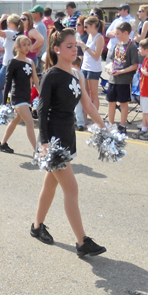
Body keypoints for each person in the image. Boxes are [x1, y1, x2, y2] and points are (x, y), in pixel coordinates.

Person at [30, 28, 107, 257]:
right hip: (53, 140)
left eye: (76, 45)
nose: (74, 50)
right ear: (57, 49)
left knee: (50, 185)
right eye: (69, 46)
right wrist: (44, 143)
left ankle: (37, 226)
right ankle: (82, 241)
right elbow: (42, 110)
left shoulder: (77, 73)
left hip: (67, 135)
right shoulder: (51, 75)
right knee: (71, 189)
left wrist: (104, 127)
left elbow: (88, 104)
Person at [0, 35, 38, 154]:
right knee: (30, 122)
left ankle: (3, 143)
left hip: (27, 96)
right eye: (24, 45)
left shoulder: (30, 62)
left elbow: (36, 80)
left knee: (15, 120)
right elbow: (8, 82)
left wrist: (41, 95)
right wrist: (4, 102)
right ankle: (37, 151)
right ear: (17, 46)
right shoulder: (13, 62)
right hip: (17, 96)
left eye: (28, 45)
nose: (27, 47)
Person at [105, 22, 138, 132]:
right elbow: (112, 60)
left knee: (123, 103)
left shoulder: (132, 47)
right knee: (111, 102)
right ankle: (111, 123)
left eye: (118, 33)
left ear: (126, 33)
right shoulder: (117, 45)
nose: (116, 36)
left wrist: (120, 72)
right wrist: (110, 69)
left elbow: (134, 65)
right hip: (113, 79)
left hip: (124, 80)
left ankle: (122, 125)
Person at [0, 14, 22, 106]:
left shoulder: (10, 33)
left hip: (7, 64)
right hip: (16, 63)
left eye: (8, 22)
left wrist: (1, 19)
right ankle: (13, 107)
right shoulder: (19, 33)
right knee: (12, 88)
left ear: (11, 23)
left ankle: (1, 107)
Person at [77, 16, 104, 113]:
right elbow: (86, 52)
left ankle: (95, 118)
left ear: (93, 25)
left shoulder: (99, 37)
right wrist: (82, 46)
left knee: (93, 95)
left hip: (94, 68)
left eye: (86, 26)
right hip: (85, 66)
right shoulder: (89, 36)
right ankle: (84, 117)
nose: (85, 29)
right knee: (85, 94)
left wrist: (84, 46)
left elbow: (96, 56)